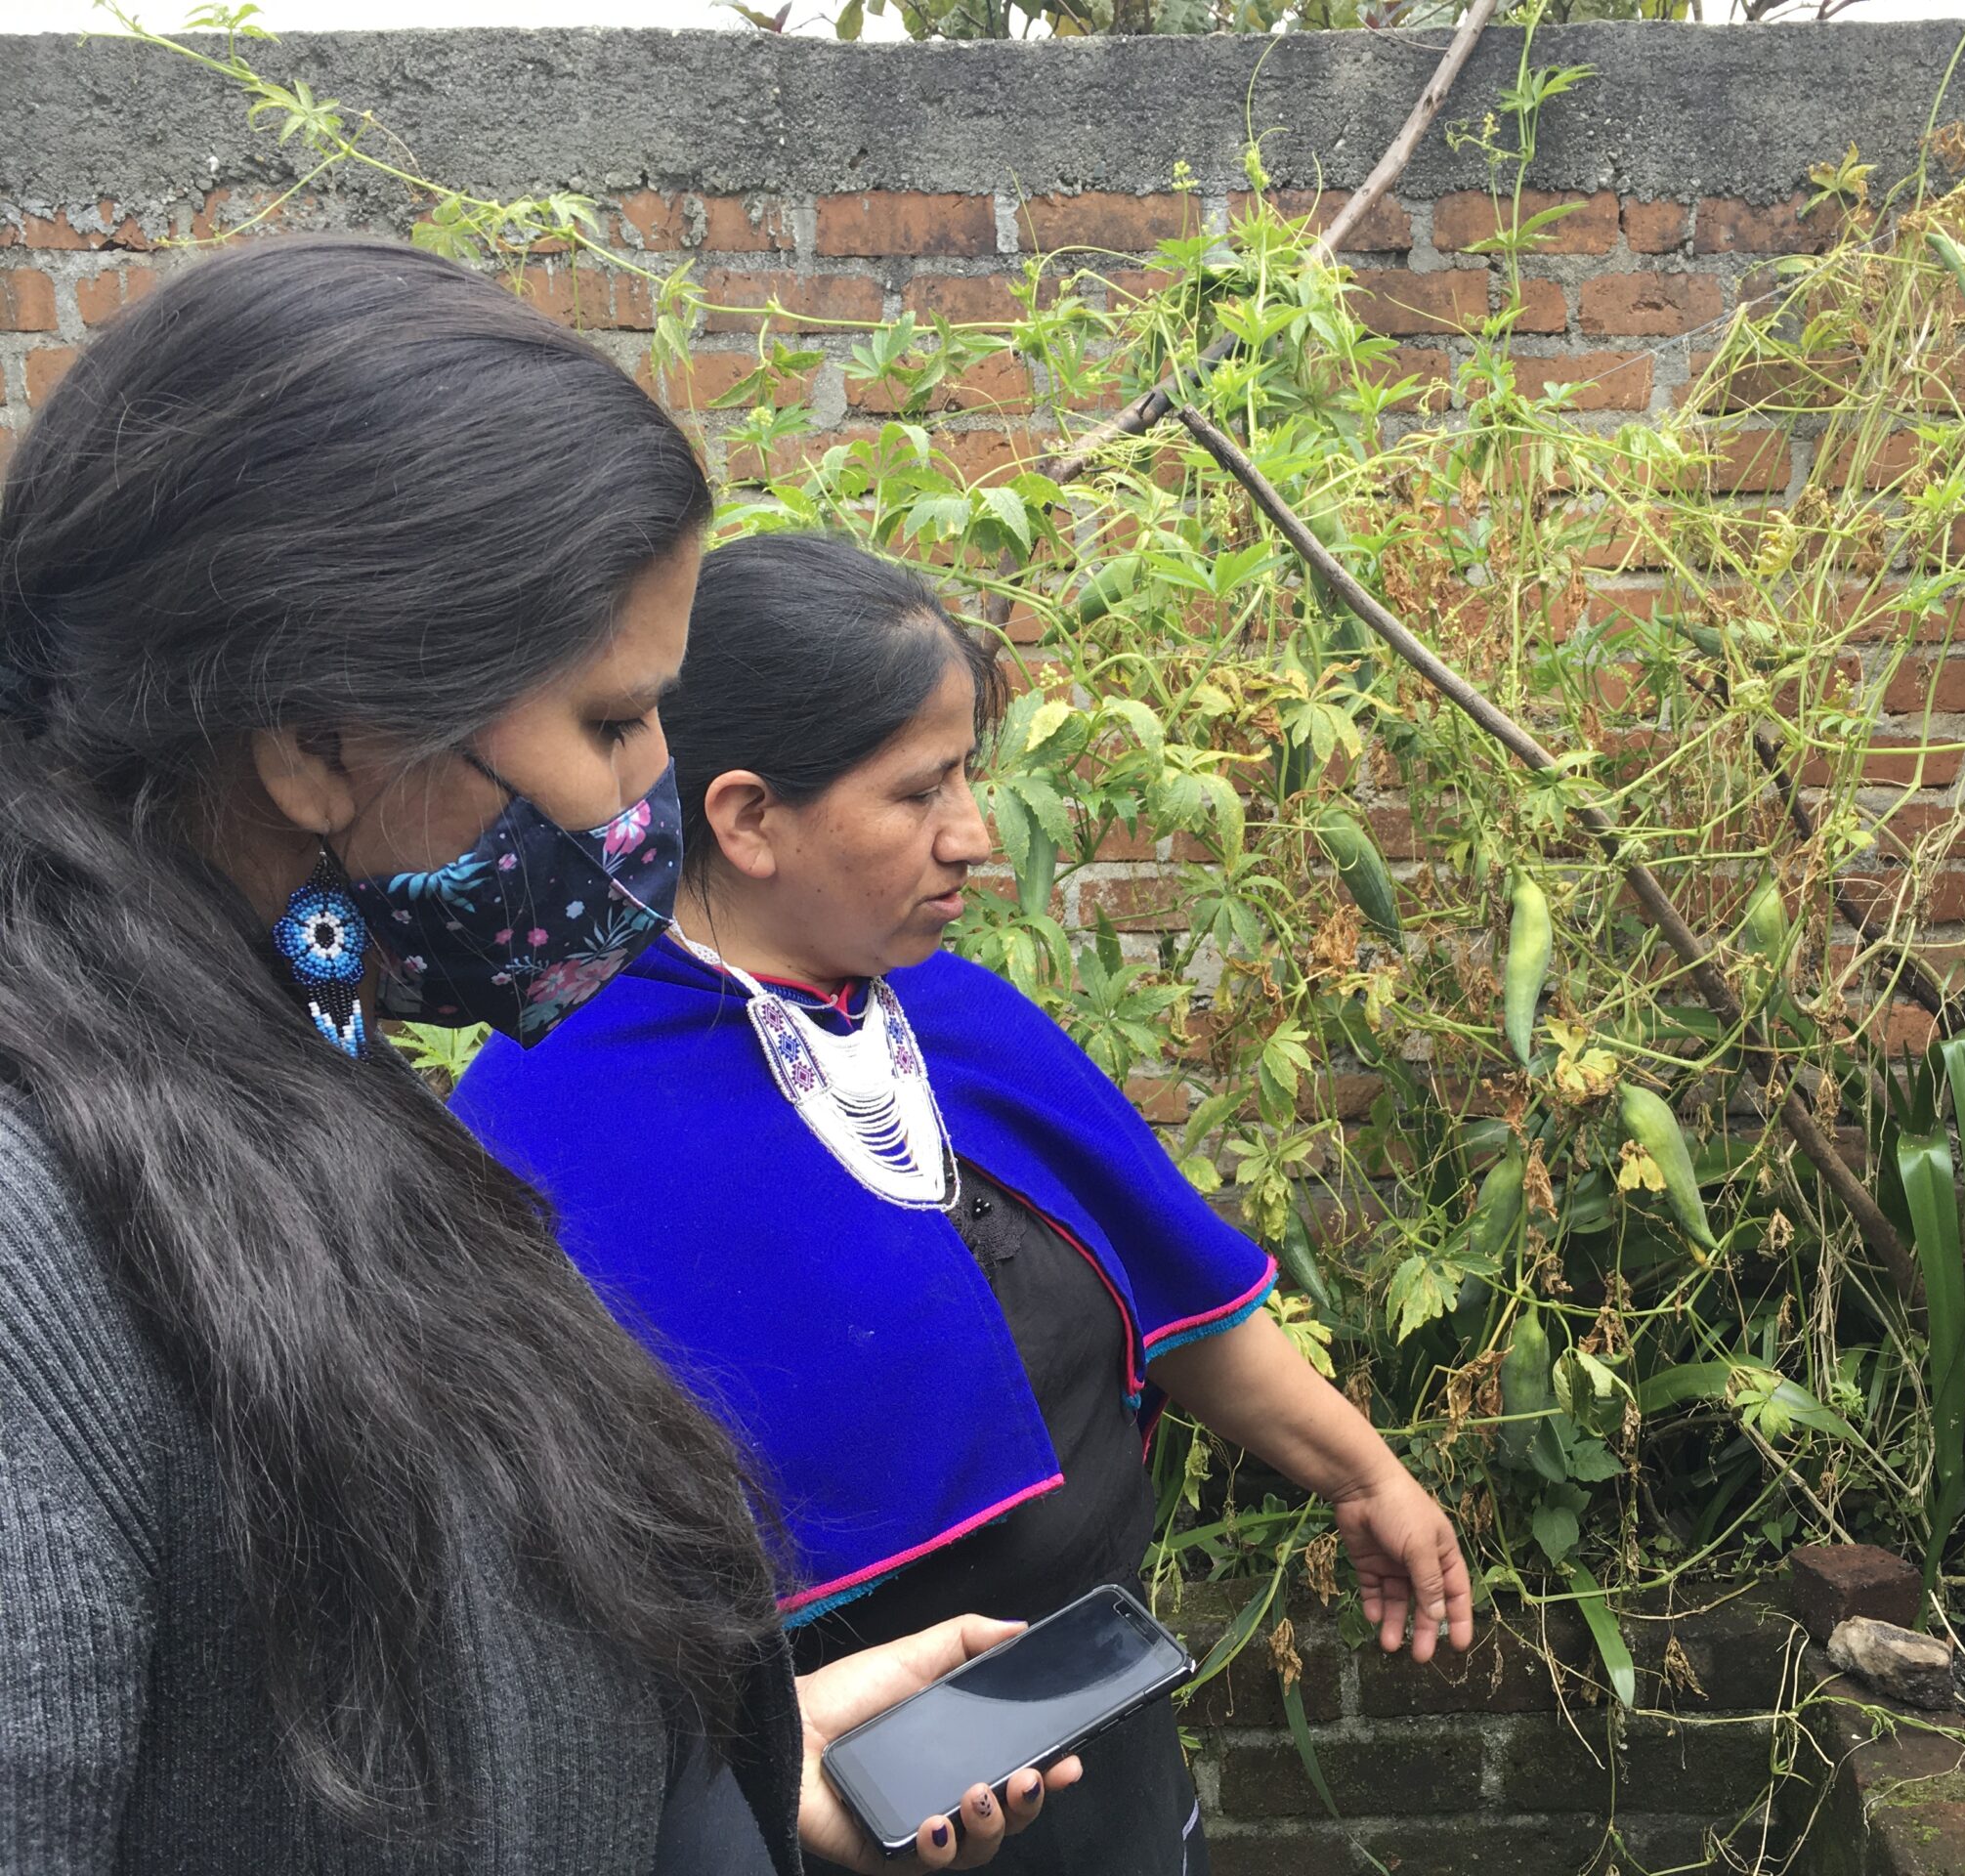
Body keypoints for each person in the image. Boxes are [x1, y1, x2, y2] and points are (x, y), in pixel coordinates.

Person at [0, 237, 1074, 1875]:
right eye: (609, 724)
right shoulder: (37, 1241)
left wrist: (733, 1765)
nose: (653, 789)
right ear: (316, 740)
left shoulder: (296, 1056)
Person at [452, 531, 1476, 1876]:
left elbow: (1171, 1292)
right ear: (750, 818)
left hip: (1093, 1742)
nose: (976, 836)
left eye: (967, 781)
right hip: (808, 1816)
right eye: (920, 790)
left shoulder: (957, 1022)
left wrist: (1365, 1475)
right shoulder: (542, 1123)